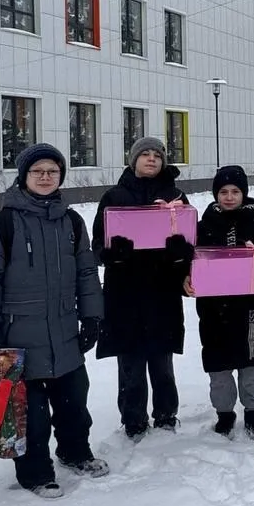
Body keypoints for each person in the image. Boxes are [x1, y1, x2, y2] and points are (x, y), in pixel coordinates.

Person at [0, 143, 108, 498]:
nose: (45, 177)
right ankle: (35, 473)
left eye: (52, 172)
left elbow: (86, 272)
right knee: (30, 415)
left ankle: (75, 453)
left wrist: (91, 316)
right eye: (38, 171)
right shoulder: (1, 225)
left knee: (75, 404)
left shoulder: (72, 222)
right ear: (24, 177)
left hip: (64, 332)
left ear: (60, 177)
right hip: (18, 338)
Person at [92, 137, 193, 440]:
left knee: (162, 362)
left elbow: (190, 244)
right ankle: (133, 420)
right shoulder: (113, 196)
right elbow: (97, 247)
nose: (151, 159)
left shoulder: (175, 196)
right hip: (125, 293)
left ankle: (165, 415)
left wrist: (180, 252)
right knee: (131, 362)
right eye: (144, 154)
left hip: (162, 291)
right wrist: (113, 254)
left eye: (156, 155)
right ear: (133, 160)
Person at [185, 165, 254, 445]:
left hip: (251, 310)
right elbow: (188, 263)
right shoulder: (202, 227)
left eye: (235, 191)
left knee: (251, 366)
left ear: (244, 194)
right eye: (223, 192)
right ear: (215, 194)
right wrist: (185, 280)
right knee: (218, 369)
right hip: (213, 313)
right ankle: (224, 414)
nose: (229, 197)